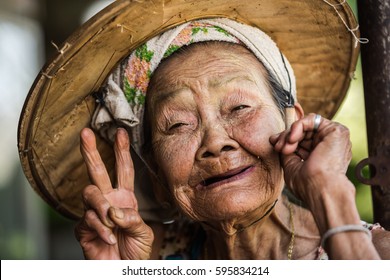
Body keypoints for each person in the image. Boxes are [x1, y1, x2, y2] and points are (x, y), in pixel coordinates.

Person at [18, 0, 390, 260]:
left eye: (240, 107)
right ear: (156, 174)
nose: (215, 143)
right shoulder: (140, 256)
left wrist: (329, 195)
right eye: (178, 125)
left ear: (293, 125)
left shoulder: (377, 255)